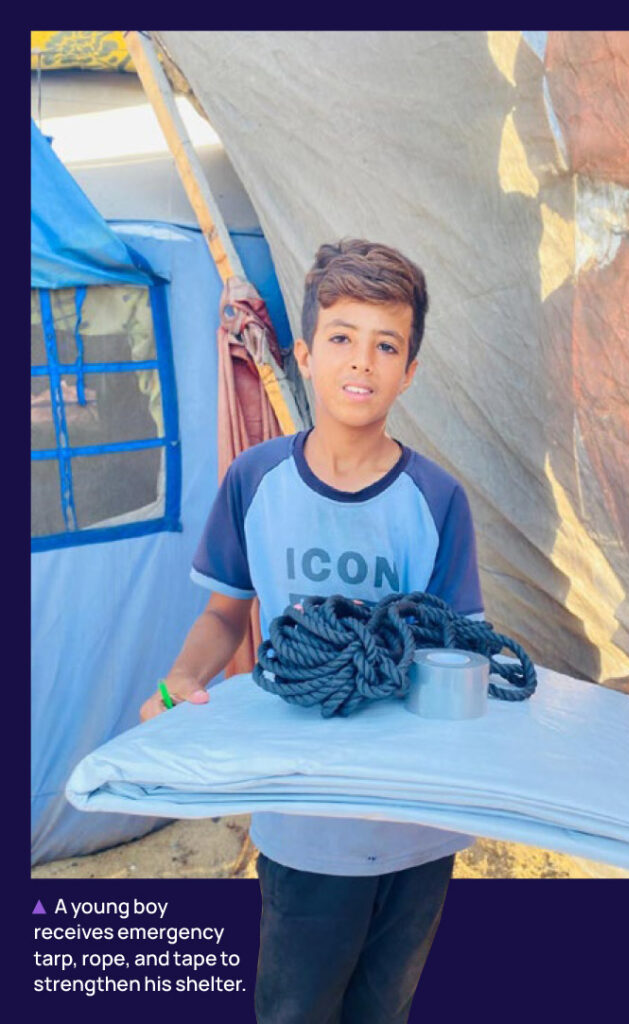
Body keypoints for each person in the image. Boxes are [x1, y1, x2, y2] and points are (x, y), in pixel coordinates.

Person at [140, 238, 486, 1023]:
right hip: (305, 825)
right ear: (301, 353)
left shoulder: (437, 500)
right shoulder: (254, 481)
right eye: (340, 337)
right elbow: (224, 614)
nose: (360, 361)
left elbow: (455, 651)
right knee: (295, 1009)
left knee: (383, 1008)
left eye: (385, 344)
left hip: (417, 827)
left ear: (409, 370)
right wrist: (185, 677)